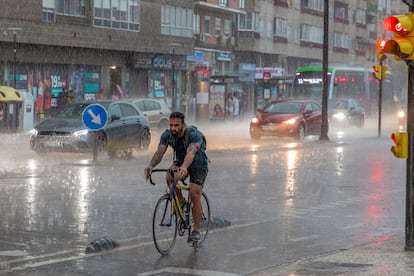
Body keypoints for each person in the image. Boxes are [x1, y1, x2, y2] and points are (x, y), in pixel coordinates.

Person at [144, 111, 209, 242]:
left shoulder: (192, 134)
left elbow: (191, 152)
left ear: (183, 125)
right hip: (180, 161)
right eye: (171, 125)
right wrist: (150, 166)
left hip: (198, 163)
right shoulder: (167, 135)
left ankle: (196, 230)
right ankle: (181, 203)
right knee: (169, 176)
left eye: (176, 125)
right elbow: (159, 153)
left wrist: (184, 167)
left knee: (194, 193)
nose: (173, 128)